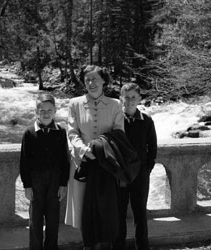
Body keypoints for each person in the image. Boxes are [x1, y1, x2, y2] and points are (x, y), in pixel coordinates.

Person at [65, 65, 124, 250]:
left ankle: (105, 246)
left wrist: (100, 149)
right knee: (84, 207)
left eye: (95, 79)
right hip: (82, 163)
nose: (91, 83)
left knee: (106, 207)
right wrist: (84, 151)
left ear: (104, 80)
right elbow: (72, 131)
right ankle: (87, 245)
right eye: (87, 79)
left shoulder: (115, 104)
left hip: (107, 163)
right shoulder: (74, 103)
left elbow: (119, 133)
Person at [19, 93, 70, 250]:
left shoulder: (61, 132)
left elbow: (65, 161)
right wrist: (27, 186)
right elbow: (24, 161)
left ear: (55, 111)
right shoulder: (29, 133)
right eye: (42, 111)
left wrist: (63, 184)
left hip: (55, 181)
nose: (46, 113)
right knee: (35, 220)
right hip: (36, 182)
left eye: (49, 110)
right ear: (36, 112)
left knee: (53, 220)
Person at [113, 83, 157, 250]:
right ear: (121, 99)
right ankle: (118, 246)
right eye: (126, 97)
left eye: (133, 97)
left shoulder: (146, 121)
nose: (130, 100)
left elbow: (152, 147)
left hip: (140, 174)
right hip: (121, 174)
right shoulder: (116, 120)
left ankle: (142, 246)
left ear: (139, 99)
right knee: (119, 213)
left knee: (140, 213)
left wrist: (147, 169)